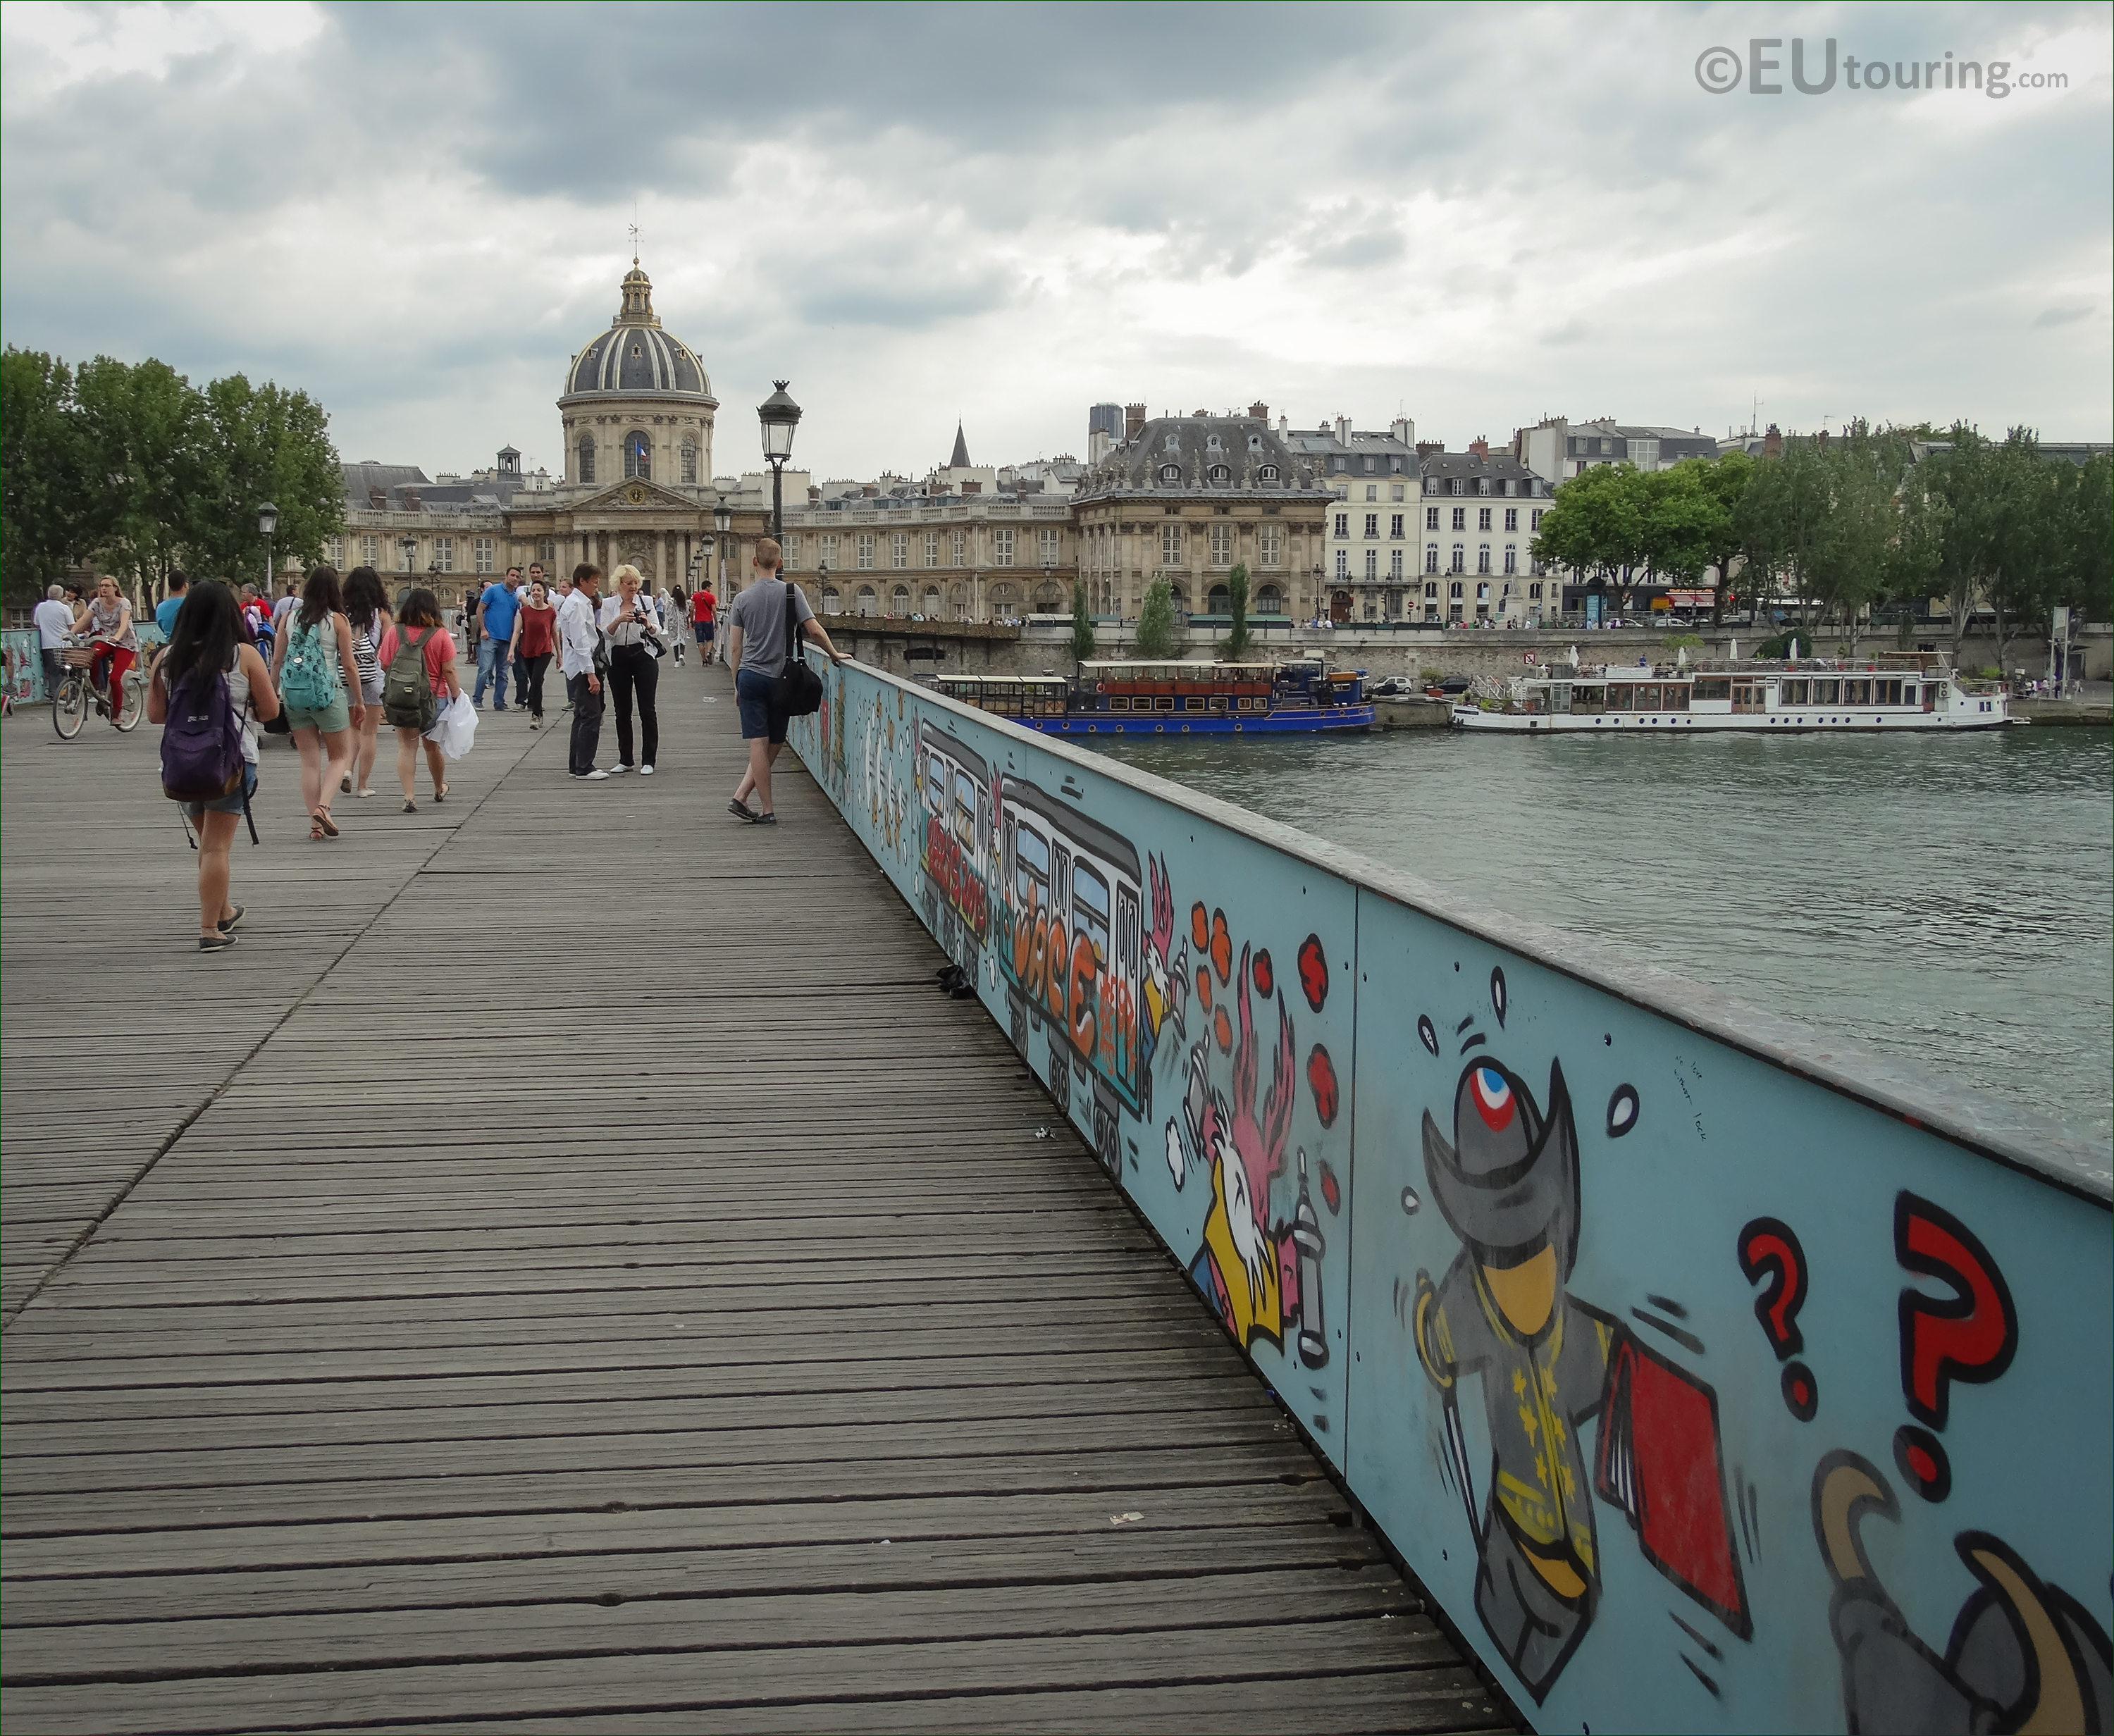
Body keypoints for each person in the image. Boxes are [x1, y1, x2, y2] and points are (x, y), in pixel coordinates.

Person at [146, 581, 280, 953]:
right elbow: (270, 712)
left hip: (182, 763)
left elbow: (157, 715)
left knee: (208, 845)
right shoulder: (244, 655)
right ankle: (209, 928)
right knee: (218, 847)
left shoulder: (167, 657)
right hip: (232, 760)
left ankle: (223, 910)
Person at [725, 539, 846, 824]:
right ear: (780, 564)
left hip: (751, 677)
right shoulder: (792, 592)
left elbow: (734, 649)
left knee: (760, 741)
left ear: (754, 562)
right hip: (781, 679)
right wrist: (834, 653)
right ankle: (760, 807)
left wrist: (736, 685)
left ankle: (749, 800)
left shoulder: (741, 599)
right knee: (777, 741)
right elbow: (813, 630)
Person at [271, 566, 363, 841]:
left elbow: (277, 660)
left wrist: (274, 692)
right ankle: (323, 808)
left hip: (295, 697)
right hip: (328, 694)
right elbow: (348, 665)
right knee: (339, 756)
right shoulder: (338, 621)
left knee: (309, 762)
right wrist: (359, 700)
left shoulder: (288, 617)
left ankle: (314, 826)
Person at [378, 588, 462, 812]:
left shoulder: (395, 633)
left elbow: (385, 665)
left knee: (406, 746)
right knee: (432, 747)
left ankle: (409, 796)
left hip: (402, 700)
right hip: (433, 699)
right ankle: (438, 788)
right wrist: (458, 697)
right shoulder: (441, 635)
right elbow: (450, 671)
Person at [601, 564, 662, 776]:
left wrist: (647, 624)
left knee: (647, 709)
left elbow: (658, 629)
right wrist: (618, 619)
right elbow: (605, 634)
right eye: (629, 583)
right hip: (618, 656)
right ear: (619, 585)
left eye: (636, 582)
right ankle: (625, 758)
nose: (634, 587)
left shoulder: (646, 602)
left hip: (643, 655)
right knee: (622, 711)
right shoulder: (609, 604)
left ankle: (649, 760)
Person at [341, 566, 392, 798]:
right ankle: (363, 785)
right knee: (369, 732)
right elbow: (388, 650)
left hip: (346, 676)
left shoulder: (341, 613)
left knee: (352, 728)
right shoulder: (381, 614)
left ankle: (346, 770)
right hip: (372, 677)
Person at [557, 562, 607, 780]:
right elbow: (580, 641)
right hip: (583, 666)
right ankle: (585, 766)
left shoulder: (576, 602)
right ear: (582, 582)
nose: (596, 586)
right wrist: (591, 673)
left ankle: (575, 764)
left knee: (580, 716)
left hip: (576, 665)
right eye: (594, 582)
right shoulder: (577, 604)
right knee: (591, 716)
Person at [73, 575, 139, 726]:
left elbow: (124, 623)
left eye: (107, 586)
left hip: (124, 644)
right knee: (91, 655)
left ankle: (116, 714)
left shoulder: (124, 603)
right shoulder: (97, 603)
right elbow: (84, 620)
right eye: (102, 586)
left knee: (115, 678)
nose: (104, 588)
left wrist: (117, 636)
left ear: (115, 588)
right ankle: (99, 691)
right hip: (106, 640)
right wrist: (72, 633)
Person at [474, 566, 523, 712]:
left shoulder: (515, 597)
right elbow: (480, 609)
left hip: (506, 639)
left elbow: (516, 617)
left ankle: (499, 702)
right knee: (485, 669)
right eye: (512, 575)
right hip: (490, 636)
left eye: (517, 577)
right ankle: (477, 699)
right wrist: (483, 629)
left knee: (503, 672)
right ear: (506, 576)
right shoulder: (493, 590)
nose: (514, 579)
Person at [512, 578, 557, 728]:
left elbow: (554, 634)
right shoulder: (524, 611)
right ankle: (539, 713)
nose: (536, 593)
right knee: (535, 683)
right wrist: (511, 650)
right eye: (533, 591)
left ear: (545, 593)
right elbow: (517, 631)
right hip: (527, 650)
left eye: (539, 590)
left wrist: (560, 655)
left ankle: (535, 715)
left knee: (537, 681)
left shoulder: (550, 612)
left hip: (544, 650)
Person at [33, 583, 73, 701]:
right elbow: (72, 626)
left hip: (48, 643)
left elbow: (36, 624)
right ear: (61, 595)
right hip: (64, 644)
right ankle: (63, 695)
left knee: (52, 671)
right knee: (65, 670)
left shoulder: (40, 607)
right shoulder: (64, 608)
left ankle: (53, 694)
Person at [154, 571, 190, 638]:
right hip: (189, 645)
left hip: (170, 645)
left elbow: (162, 627)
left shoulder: (160, 607)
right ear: (185, 585)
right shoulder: (192, 603)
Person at [691, 581, 717, 665]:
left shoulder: (696, 596)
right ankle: (709, 652)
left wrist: (692, 620)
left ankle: (704, 660)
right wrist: (716, 621)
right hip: (708, 620)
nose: (711, 589)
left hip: (698, 621)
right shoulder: (711, 596)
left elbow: (692, 608)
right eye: (710, 587)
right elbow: (714, 610)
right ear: (707, 587)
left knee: (700, 641)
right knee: (710, 639)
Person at [667, 585, 688, 664]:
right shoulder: (683, 601)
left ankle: (676, 661)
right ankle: (682, 654)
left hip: (673, 624)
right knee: (682, 639)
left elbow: (667, 612)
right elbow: (687, 613)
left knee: (675, 641)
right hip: (682, 623)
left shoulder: (670, 601)